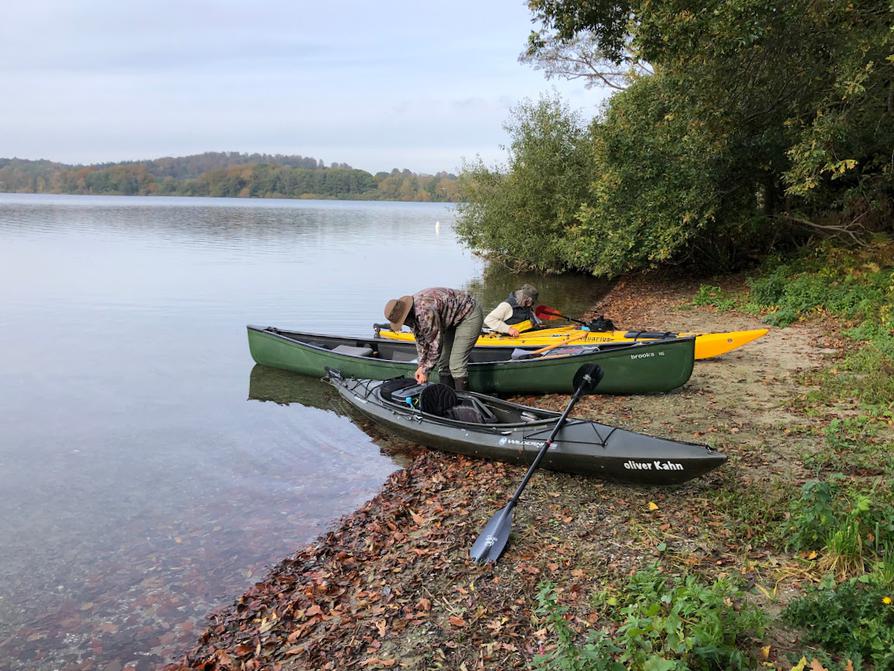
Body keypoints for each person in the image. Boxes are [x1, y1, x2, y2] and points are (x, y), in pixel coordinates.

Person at [384, 287, 483, 392]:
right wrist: (421, 366)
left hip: (469, 314)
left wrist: (426, 371)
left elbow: (436, 346)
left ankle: (463, 403)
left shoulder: (424, 312)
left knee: (456, 365)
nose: (403, 323)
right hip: (451, 320)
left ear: (405, 315)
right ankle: (448, 398)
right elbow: (421, 341)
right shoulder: (411, 314)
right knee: (443, 363)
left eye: (402, 321)